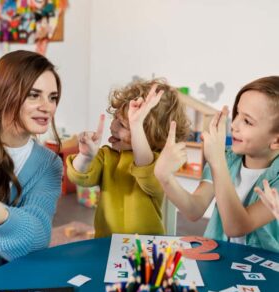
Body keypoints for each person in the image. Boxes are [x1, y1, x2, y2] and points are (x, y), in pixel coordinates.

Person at [155, 76, 279, 252]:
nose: (234, 125)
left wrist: (216, 161)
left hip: (266, 270)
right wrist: (165, 177)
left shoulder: (221, 160)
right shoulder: (227, 158)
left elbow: (236, 227)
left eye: (247, 121)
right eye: (237, 114)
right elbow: (194, 210)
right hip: (222, 260)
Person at [66, 79, 190, 238]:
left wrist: (136, 125)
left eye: (123, 125)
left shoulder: (160, 165)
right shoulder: (107, 155)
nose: (113, 127)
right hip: (105, 245)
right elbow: (79, 177)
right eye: (115, 119)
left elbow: (146, 170)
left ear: (150, 135)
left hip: (145, 250)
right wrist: (85, 156)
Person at [0, 50, 63, 277]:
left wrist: (2, 218)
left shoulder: (49, 164)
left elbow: (38, 238)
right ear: (5, 93)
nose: (47, 107)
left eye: (52, 97)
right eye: (34, 95)